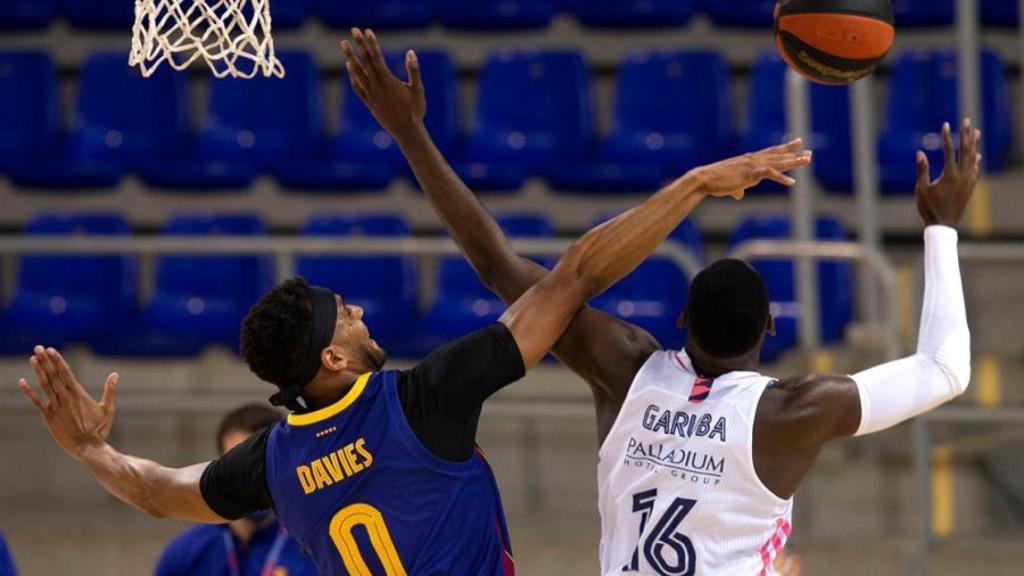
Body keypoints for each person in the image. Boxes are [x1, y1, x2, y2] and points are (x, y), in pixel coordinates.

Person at [16, 29, 810, 576]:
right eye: (346, 315)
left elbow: (160, 493)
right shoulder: (423, 401)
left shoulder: (276, 456)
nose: (360, 311)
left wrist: (91, 451)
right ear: (330, 357)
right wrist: (698, 183)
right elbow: (568, 280)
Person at [346, 31, 979, 576]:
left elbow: (496, 266)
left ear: (680, 319)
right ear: (770, 324)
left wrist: (408, 132)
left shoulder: (625, 368)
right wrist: (941, 226)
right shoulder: (794, 410)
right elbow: (945, 369)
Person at [155, 404, 316, 576]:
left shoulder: (316, 546)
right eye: (236, 467)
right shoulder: (186, 553)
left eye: (259, 467)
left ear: (282, 466)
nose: (247, 481)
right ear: (219, 470)